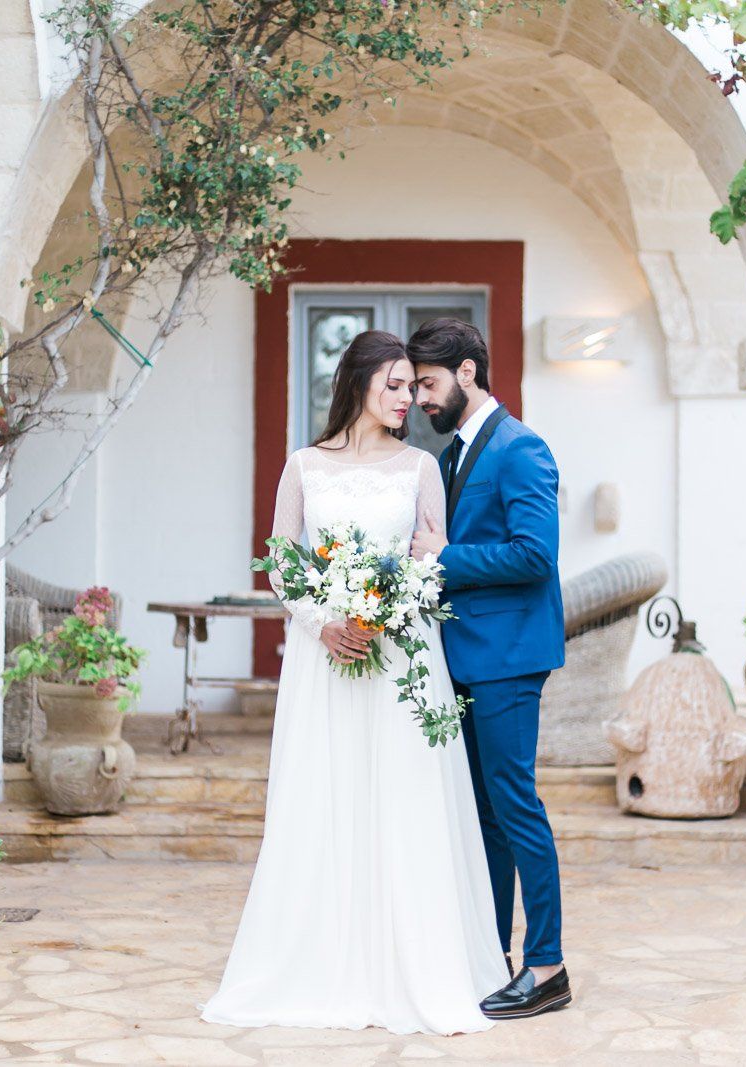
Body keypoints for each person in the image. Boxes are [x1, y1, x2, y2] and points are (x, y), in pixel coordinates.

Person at [201, 330, 508, 1035]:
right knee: (326, 795)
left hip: (403, 660)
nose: (407, 398)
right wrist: (323, 620)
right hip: (326, 659)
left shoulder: (422, 469)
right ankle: (319, 963)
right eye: (395, 384)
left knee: (404, 801)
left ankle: (415, 965)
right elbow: (282, 562)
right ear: (360, 381)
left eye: (412, 386)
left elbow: (433, 560)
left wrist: (394, 605)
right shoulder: (305, 467)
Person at [408, 317, 571, 1020]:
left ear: (468, 372)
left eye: (427, 382)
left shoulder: (521, 447)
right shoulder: (450, 457)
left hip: (509, 661)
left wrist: (440, 560)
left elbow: (536, 553)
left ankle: (549, 964)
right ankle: (493, 953)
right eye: (414, 385)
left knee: (516, 806)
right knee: (486, 818)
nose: (418, 397)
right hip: (467, 658)